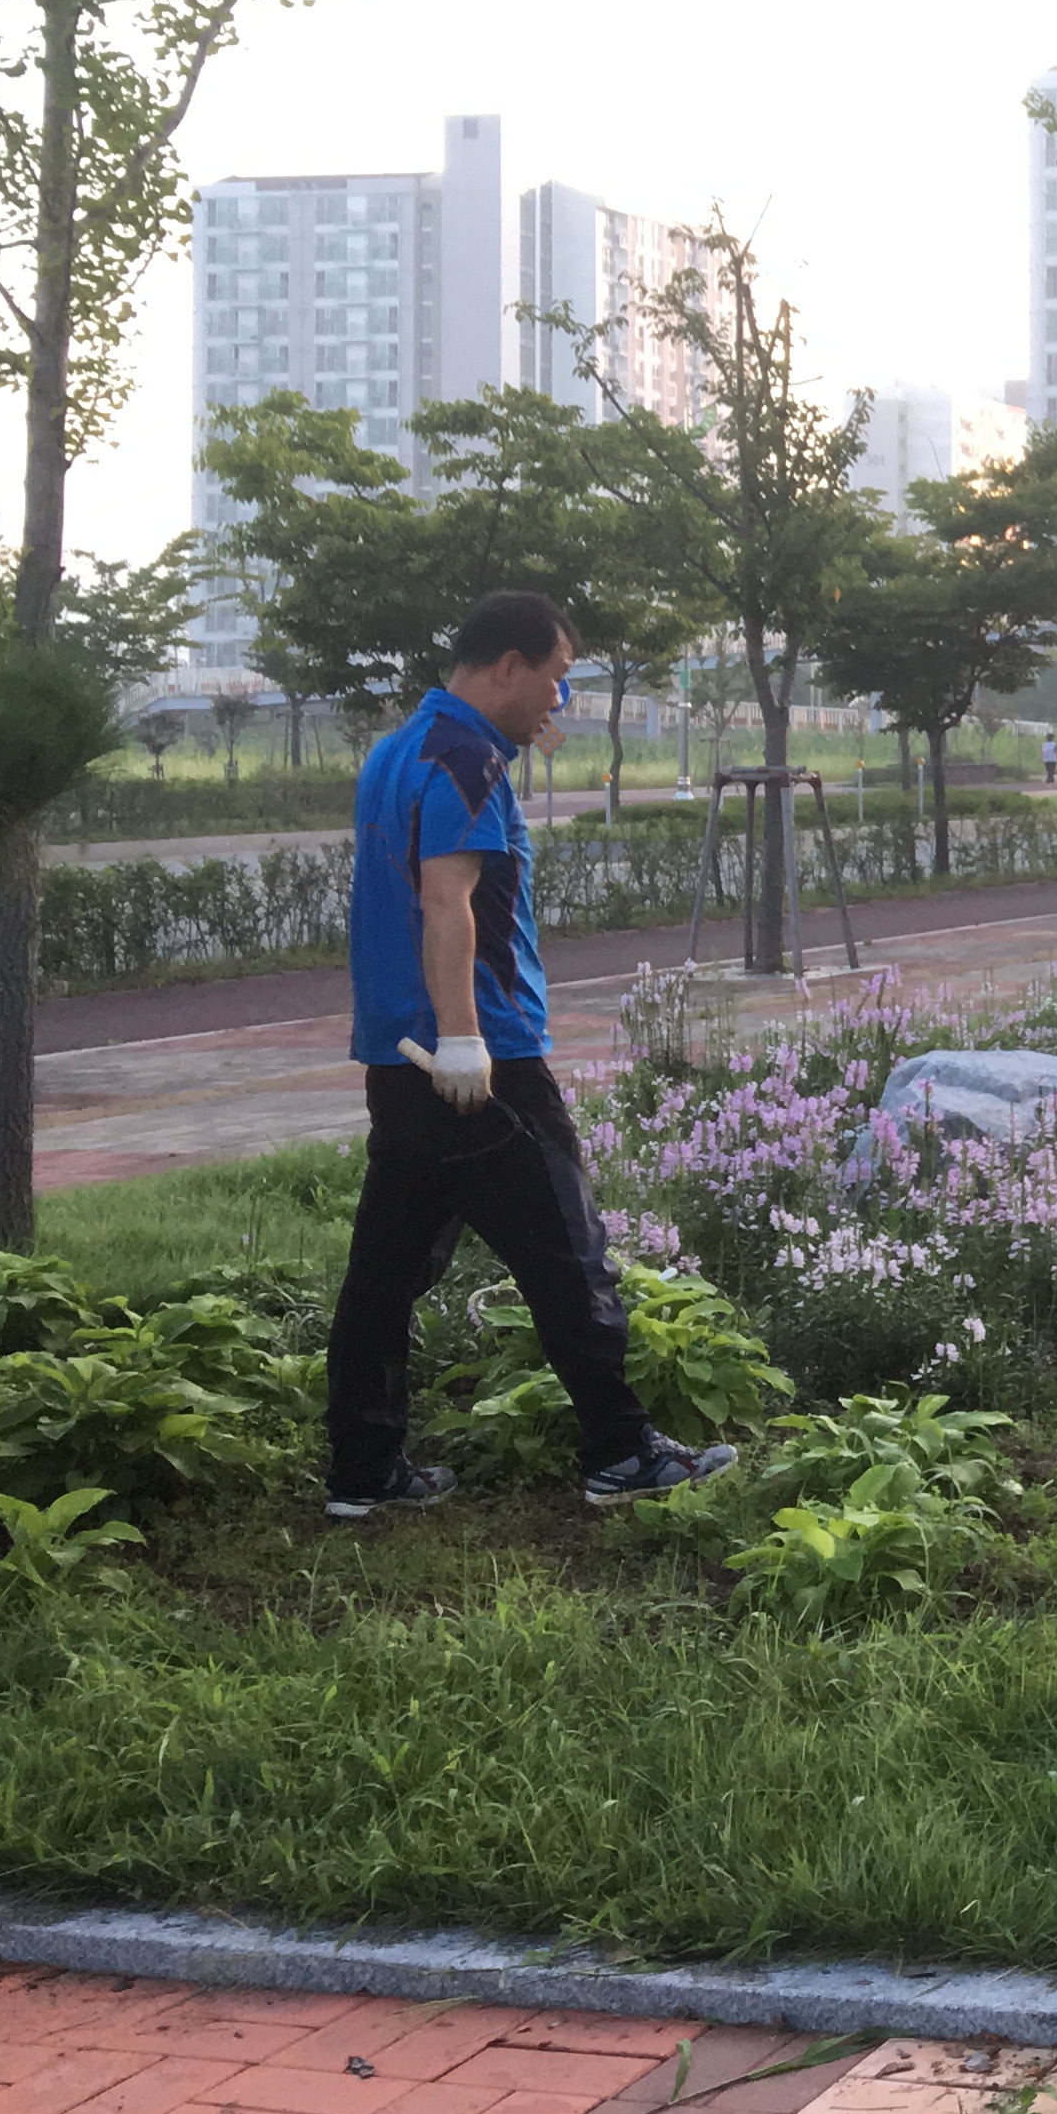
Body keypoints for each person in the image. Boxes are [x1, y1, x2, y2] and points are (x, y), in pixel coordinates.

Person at [325, 591, 735, 1521]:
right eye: (554, 678)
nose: (560, 699)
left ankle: (364, 1470)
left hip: (399, 1060)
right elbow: (447, 903)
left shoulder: (402, 750)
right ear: (506, 666)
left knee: (385, 1272)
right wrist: (466, 1037)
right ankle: (621, 1453)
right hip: (480, 1063)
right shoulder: (466, 758)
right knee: (568, 1252)